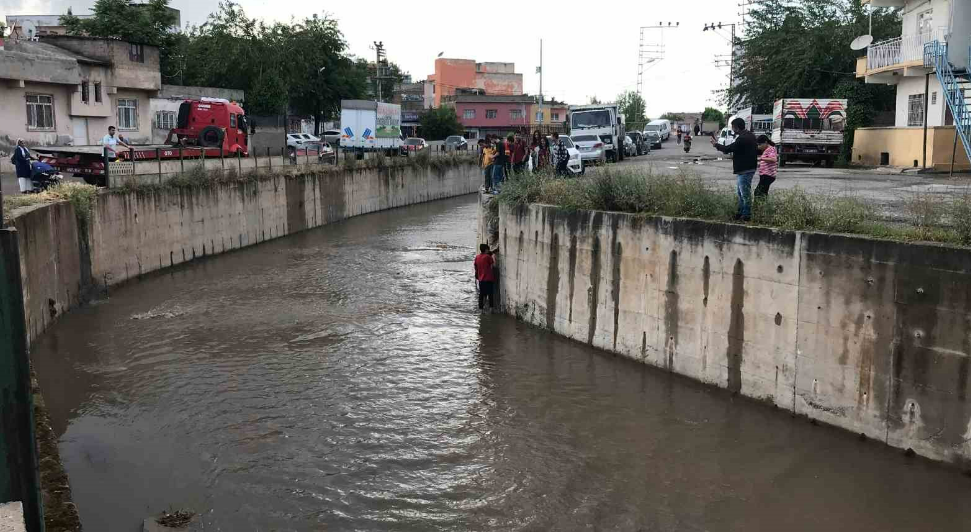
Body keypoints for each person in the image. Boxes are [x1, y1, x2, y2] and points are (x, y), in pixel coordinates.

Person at [711, 117, 758, 221]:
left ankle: (746, 215)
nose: (732, 129)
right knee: (741, 193)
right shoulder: (750, 135)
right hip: (747, 168)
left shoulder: (742, 138)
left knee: (744, 194)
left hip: (745, 169)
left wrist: (716, 145)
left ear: (736, 127)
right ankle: (740, 213)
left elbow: (729, 149)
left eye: (732, 127)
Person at [474, 244, 496, 311]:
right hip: (489, 279)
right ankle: (491, 309)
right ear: (486, 249)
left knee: (481, 294)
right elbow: (492, 266)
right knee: (490, 294)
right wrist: (493, 256)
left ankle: (481, 309)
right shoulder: (488, 257)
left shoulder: (477, 257)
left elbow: (475, 267)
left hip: (481, 279)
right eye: (488, 249)